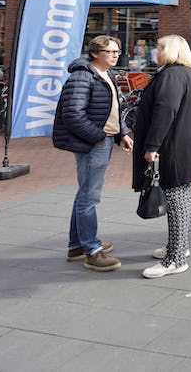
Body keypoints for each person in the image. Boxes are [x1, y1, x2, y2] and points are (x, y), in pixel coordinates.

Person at [131, 35, 191, 278]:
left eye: (159, 48)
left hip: (174, 149)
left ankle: (175, 259)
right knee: (182, 197)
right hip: (185, 147)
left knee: (175, 199)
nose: (155, 52)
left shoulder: (171, 75)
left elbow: (165, 111)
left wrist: (152, 145)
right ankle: (179, 248)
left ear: (169, 51)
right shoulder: (186, 74)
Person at [53, 36, 133, 272]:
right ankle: (92, 251)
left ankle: (76, 245)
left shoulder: (108, 75)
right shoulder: (82, 76)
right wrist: (99, 137)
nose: (116, 55)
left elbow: (114, 109)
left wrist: (123, 133)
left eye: (117, 51)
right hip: (94, 143)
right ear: (95, 52)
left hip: (104, 139)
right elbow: (72, 115)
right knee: (89, 197)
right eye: (110, 51)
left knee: (84, 194)